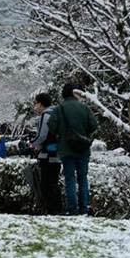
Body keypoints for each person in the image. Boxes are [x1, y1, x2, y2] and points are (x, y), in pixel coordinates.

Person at [48, 84, 98, 215]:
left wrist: (61, 134)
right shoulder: (84, 108)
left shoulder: (59, 109)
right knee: (83, 178)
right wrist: (83, 132)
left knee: (69, 178)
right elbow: (94, 125)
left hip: (66, 149)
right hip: (83, 148)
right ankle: (84, 208)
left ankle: (72, 209)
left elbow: (51, 126)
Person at [31, 93, 62, 215]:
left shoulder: (46, 115)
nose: (34, 107)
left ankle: (50, 210)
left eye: (35, 104)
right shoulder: (57, 114)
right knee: (54, 182)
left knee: (46, 183)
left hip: (47, 154)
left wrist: (32, 144)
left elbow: (42, 135)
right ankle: (57, 208)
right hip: (57, 153)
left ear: (40, 103)